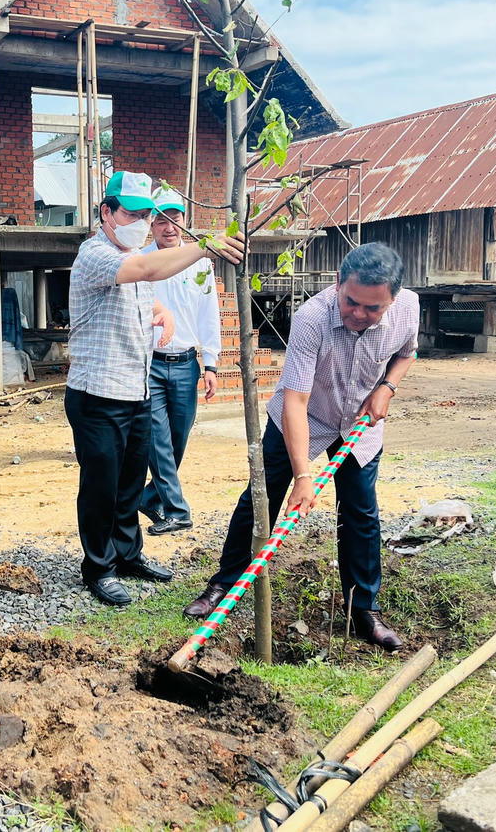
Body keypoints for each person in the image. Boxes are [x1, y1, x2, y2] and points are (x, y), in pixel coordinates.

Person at [183, 243, 418, 651]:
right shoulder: (313, 318)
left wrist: (387, 388)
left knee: (361, 509)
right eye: (351, 302)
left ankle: (364, 608)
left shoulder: (408, 309)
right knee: (264, 495)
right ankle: (224, 583)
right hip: (304, 414)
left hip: (360, 420)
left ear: (392, 301)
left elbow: (406, 353)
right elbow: (295, 400)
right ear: (338, 285)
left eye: (372, 308)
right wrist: (303, 476)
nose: (359, 314)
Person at [66, 170, 245, 606]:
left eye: (147, 215)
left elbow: (149, 292)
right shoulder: (96, 254)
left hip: (136, 391)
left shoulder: (130, 259)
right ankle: (99, 567)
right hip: (98, 394)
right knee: (101, 486)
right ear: (106, 213)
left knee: (129, 483)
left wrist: (162, 312)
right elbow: (144, 268)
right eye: (132, 213)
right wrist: (201, 246)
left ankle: (128, 555)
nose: (141, 222)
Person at [138, 186, 221, 536]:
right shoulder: (140, 261)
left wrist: (211, 364)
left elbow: (209, 315)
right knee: (157, 438)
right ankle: (177, 509)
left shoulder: (200, 263)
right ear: (151, 224)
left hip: (187, 364)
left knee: (177, 440)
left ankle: (148, 499)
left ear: (185, 222)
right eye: (161, 219)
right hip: (151, 364)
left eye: (175, 218)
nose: (168, 226)